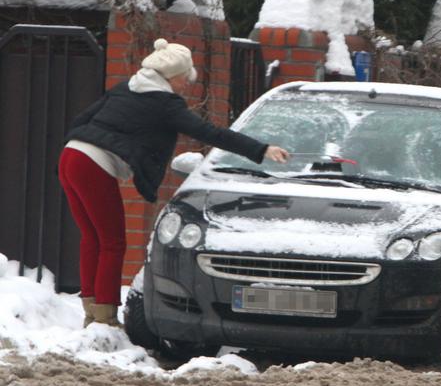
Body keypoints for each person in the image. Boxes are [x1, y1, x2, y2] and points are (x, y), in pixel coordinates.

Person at [58, 38, 289, 327]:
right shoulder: (165, 104)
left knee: (93, 238)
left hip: (70, 156)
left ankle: (92, 311)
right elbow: (210, 133)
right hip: (94, 166)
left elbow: (82, 119)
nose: (186, 84)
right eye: (185, 77)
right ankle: (104, 317)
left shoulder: (126, 87)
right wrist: (261, 149)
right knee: (113, 241)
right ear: (172, 76)